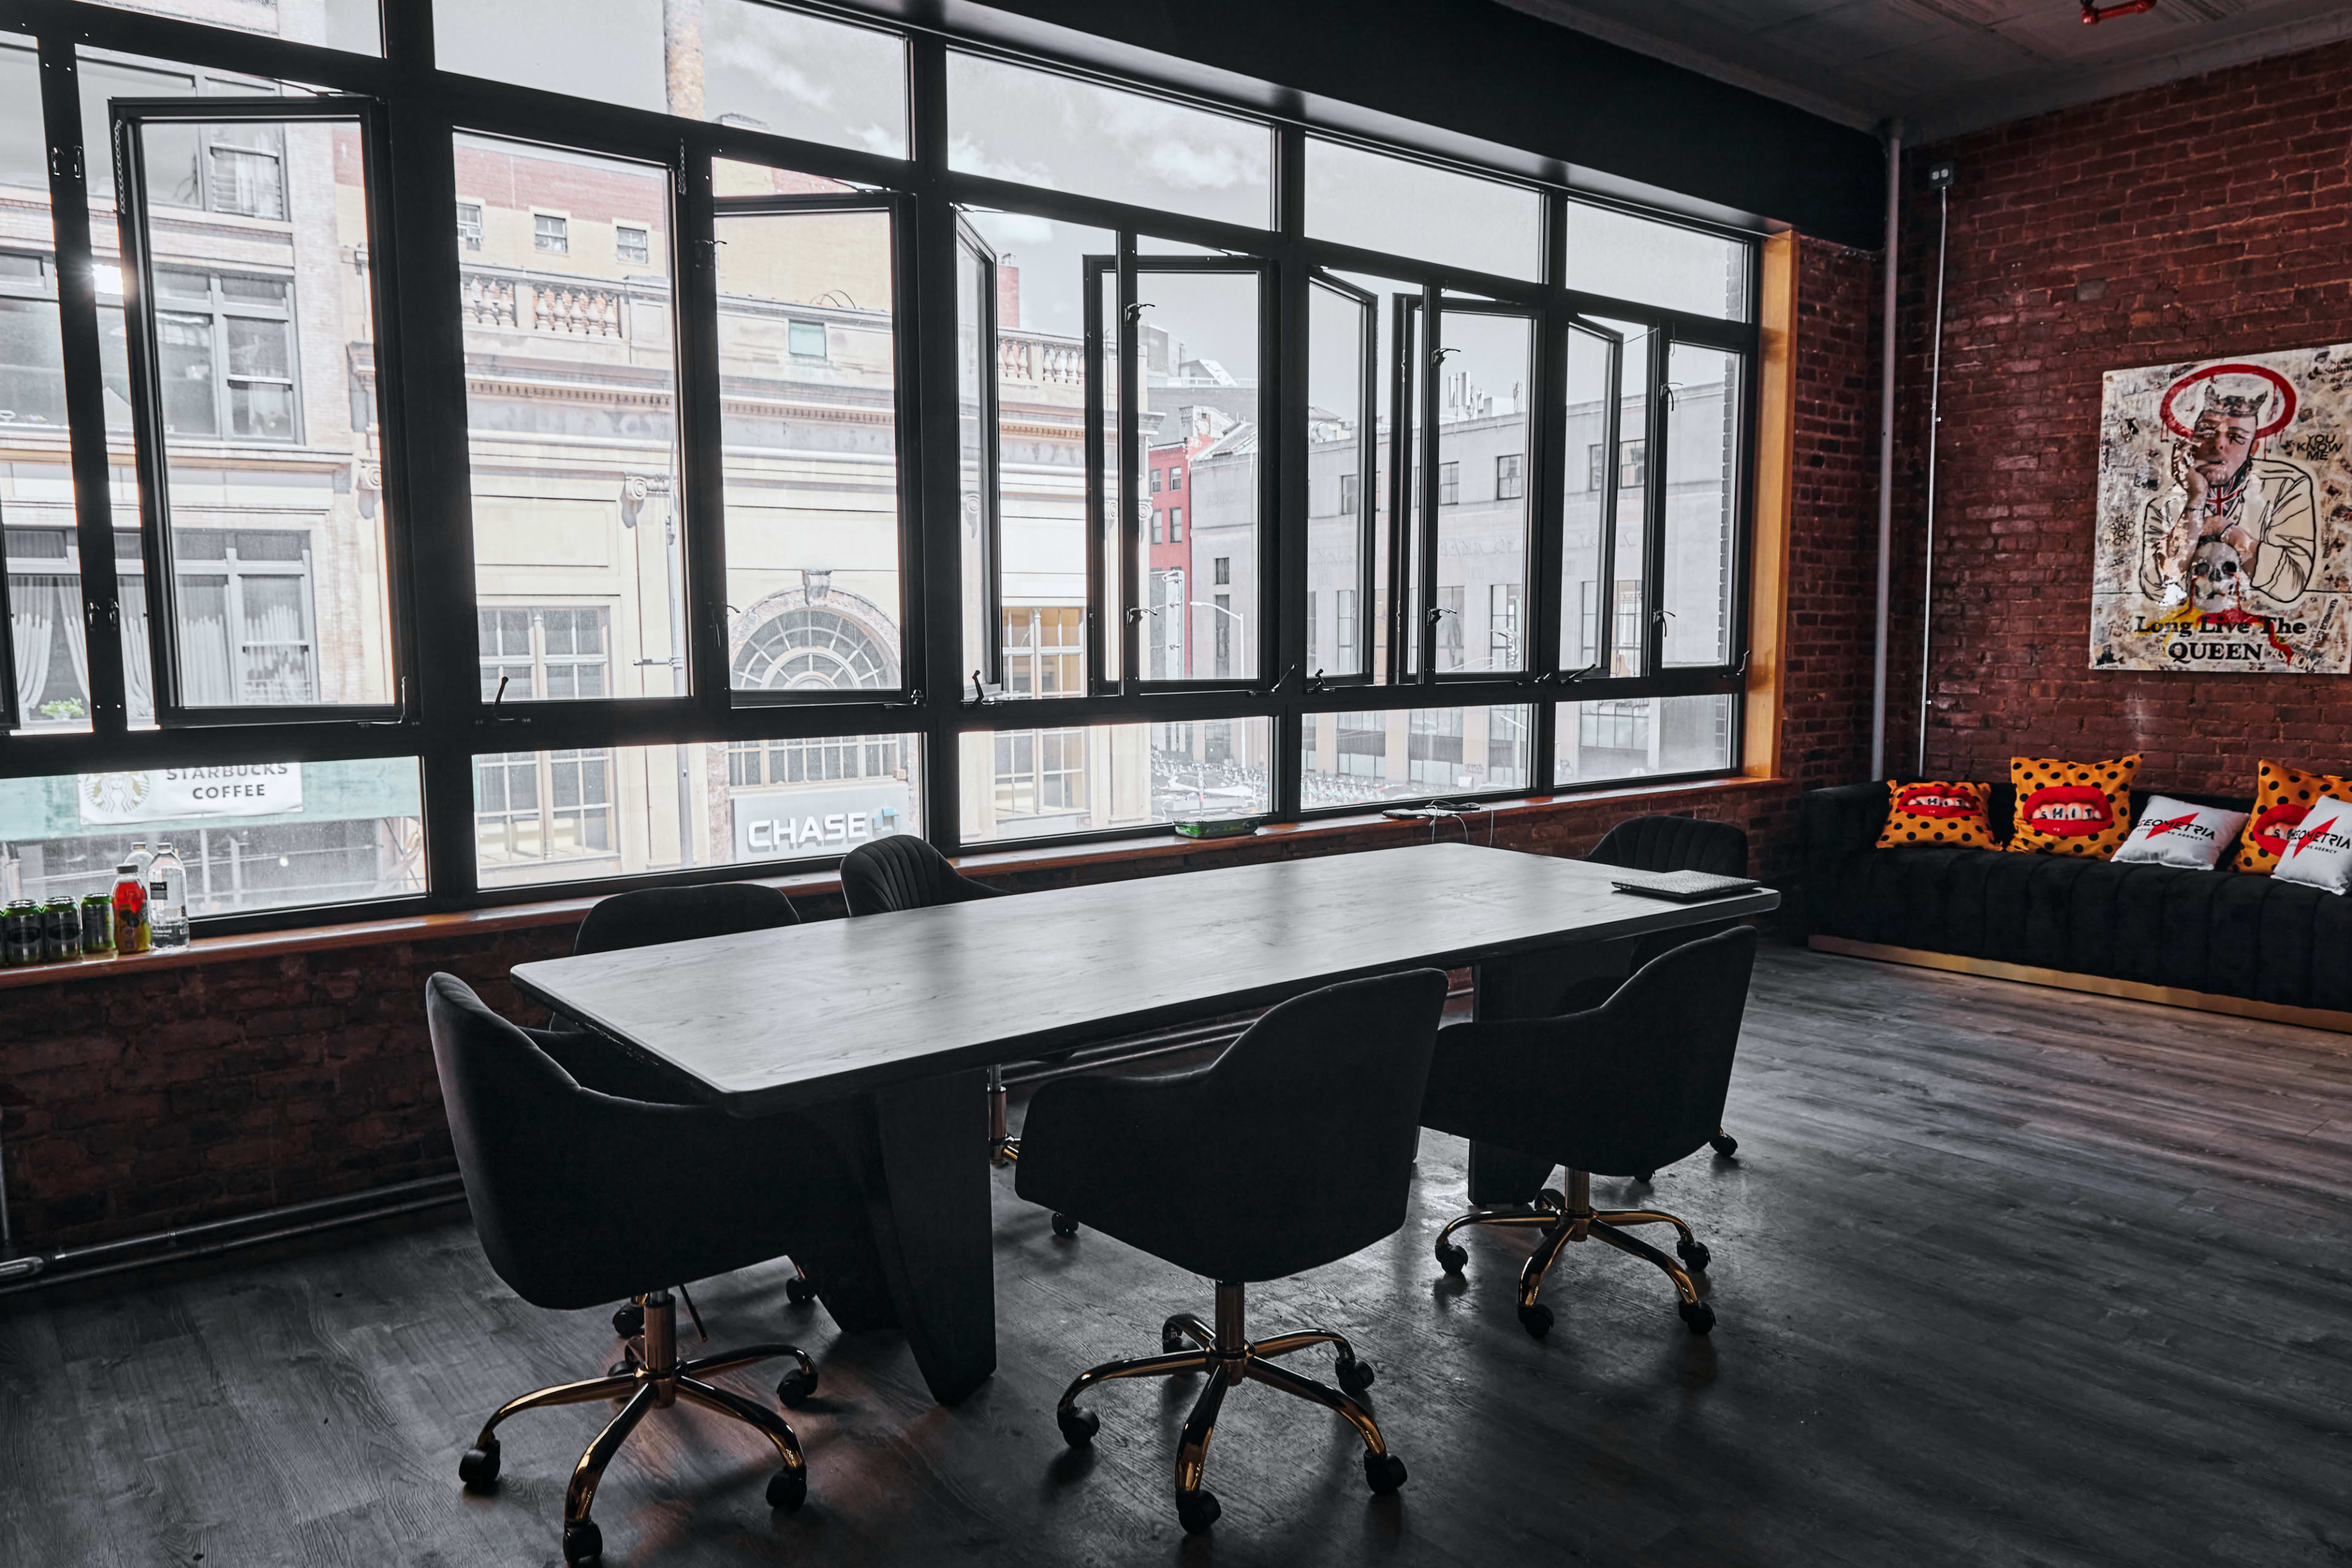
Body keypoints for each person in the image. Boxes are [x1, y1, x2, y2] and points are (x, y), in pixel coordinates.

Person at [2143, 386, 2315, 611]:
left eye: (2235, 437)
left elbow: (2290, 585)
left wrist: (2222, 528)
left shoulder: (2286, 486)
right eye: (2207, 432)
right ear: (2190, 442)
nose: (2219, 445)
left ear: (2252, 448)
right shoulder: (2164, 505)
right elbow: (2159, 586)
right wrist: (2196, 499)